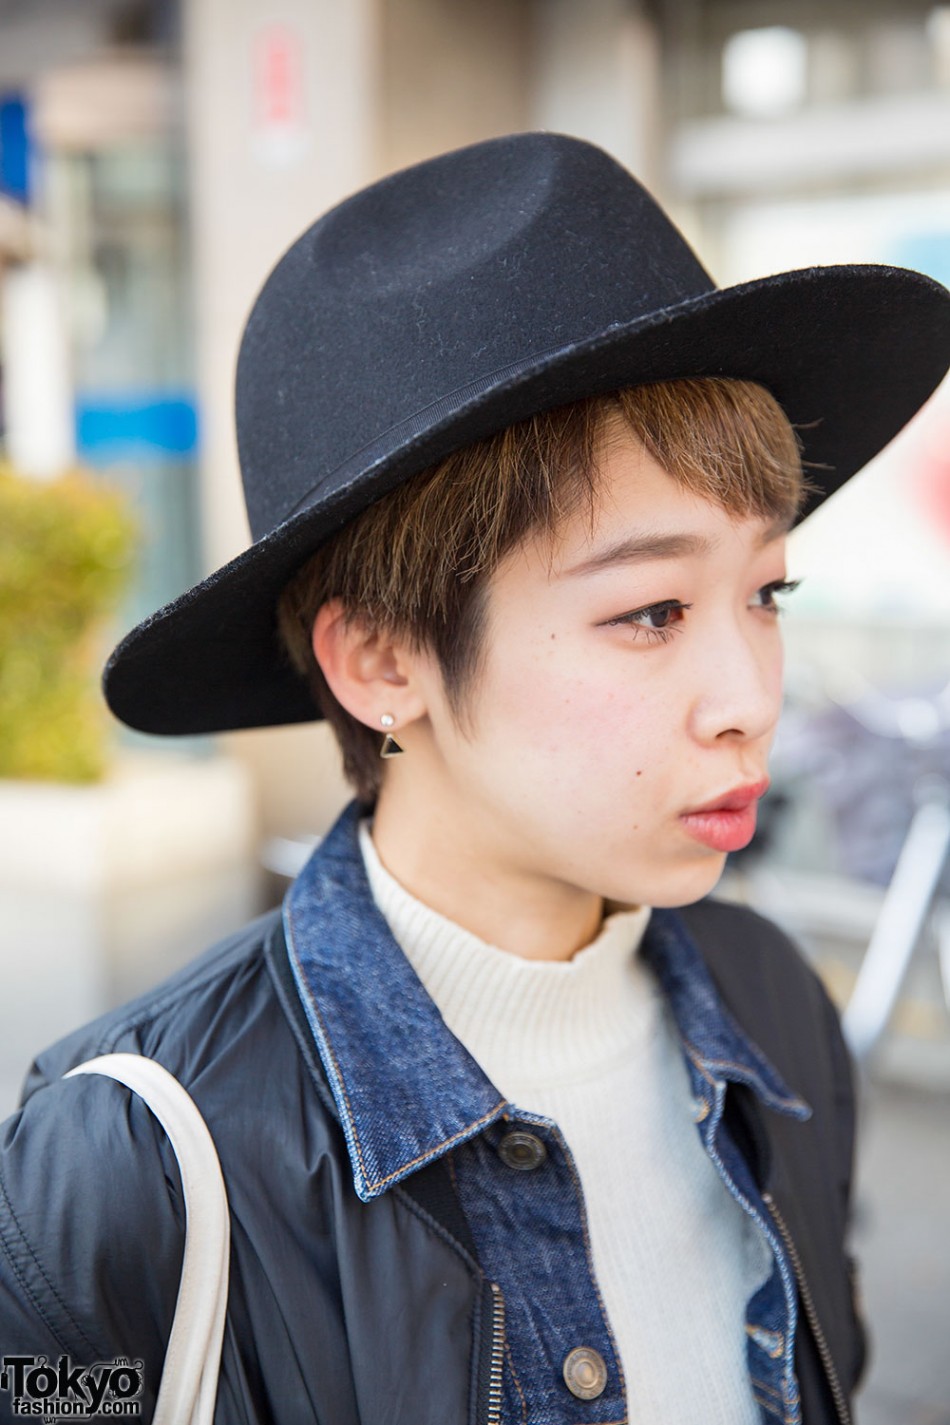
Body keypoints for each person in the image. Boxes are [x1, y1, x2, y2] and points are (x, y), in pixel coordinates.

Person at [1, 133, 948, 1425]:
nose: (747, 698)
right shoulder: (127, 1162)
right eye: (651, 610)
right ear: (385, 660)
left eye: (765, 590)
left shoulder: (768, 1008)